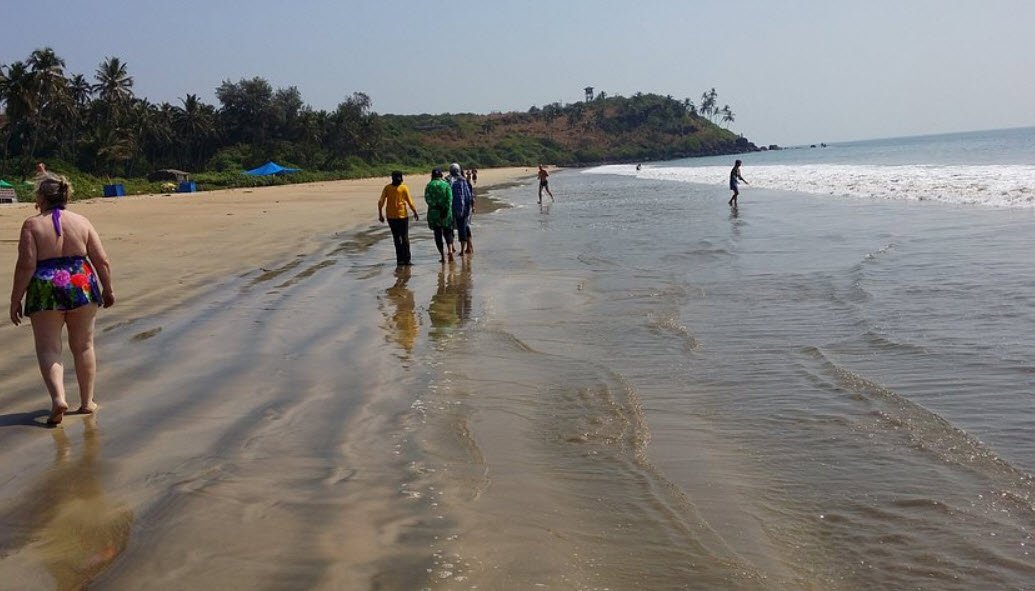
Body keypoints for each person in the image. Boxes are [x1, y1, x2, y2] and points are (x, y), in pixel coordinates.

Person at [10, 173, 115, 426]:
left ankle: (58, 398)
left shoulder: (32, 225)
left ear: (41, 198)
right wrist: (108, 288)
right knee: (84, 346)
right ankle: (86, 402)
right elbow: (101, 260)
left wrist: (16, 299)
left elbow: (26, 265)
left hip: (46, 287)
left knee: (49, 349)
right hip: (81, 283)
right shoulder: (81, 221)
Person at [378, 171, 419, 266]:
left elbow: (380, 202)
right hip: (402, 216)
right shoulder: (403, 187)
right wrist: (415, 212)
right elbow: (410, 202)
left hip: (391, 217)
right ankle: (407, 260)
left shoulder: (387, 188)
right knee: (405, 238)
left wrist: (380, 214)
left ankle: (400, 260)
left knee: (396, 238)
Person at [424, 168, 455, 263]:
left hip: (434, 214)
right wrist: (445, 209)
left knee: (437, 234)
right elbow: (450, 199)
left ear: (432, 176)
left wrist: (435, 206)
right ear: (441, 175)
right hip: (446, 213)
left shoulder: (429, 185)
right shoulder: (446, 184)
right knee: (448, 232)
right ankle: (450, 250)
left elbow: (427, 199)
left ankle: (442, 256)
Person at [449, 163, 475, 256]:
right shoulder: (463, 181)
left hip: (451, 209)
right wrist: (471, 207)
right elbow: (469, 196)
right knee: (463, 228)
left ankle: (451, 249)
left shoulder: (448, 180)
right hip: (464, 210)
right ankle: (465, 249)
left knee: (450, 228)